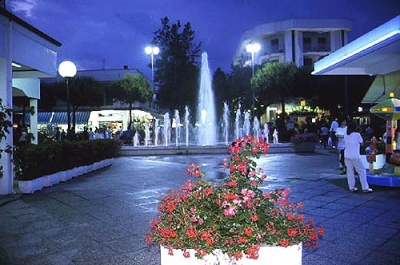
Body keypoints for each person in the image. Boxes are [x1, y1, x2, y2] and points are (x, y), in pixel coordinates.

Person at [344, 121, 373, 193]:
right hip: (355, 155)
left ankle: (352, 187)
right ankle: (365, 188)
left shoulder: (346, 134)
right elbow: (362, 143)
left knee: (350, 171)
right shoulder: (357, 134)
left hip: (347, 155)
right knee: (362, 171)